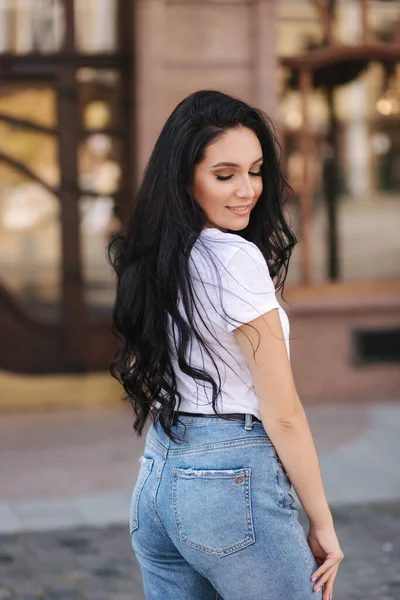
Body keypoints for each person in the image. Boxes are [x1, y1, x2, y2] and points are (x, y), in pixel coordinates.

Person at [108, 90, 343, 600]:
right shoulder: (234, 259)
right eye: (224, 174)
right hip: (228, 484)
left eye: (256, 170)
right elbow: (283, 413)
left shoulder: (157, 256)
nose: (248, 190)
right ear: (183, 177)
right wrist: (322, 521)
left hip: (159, 476)